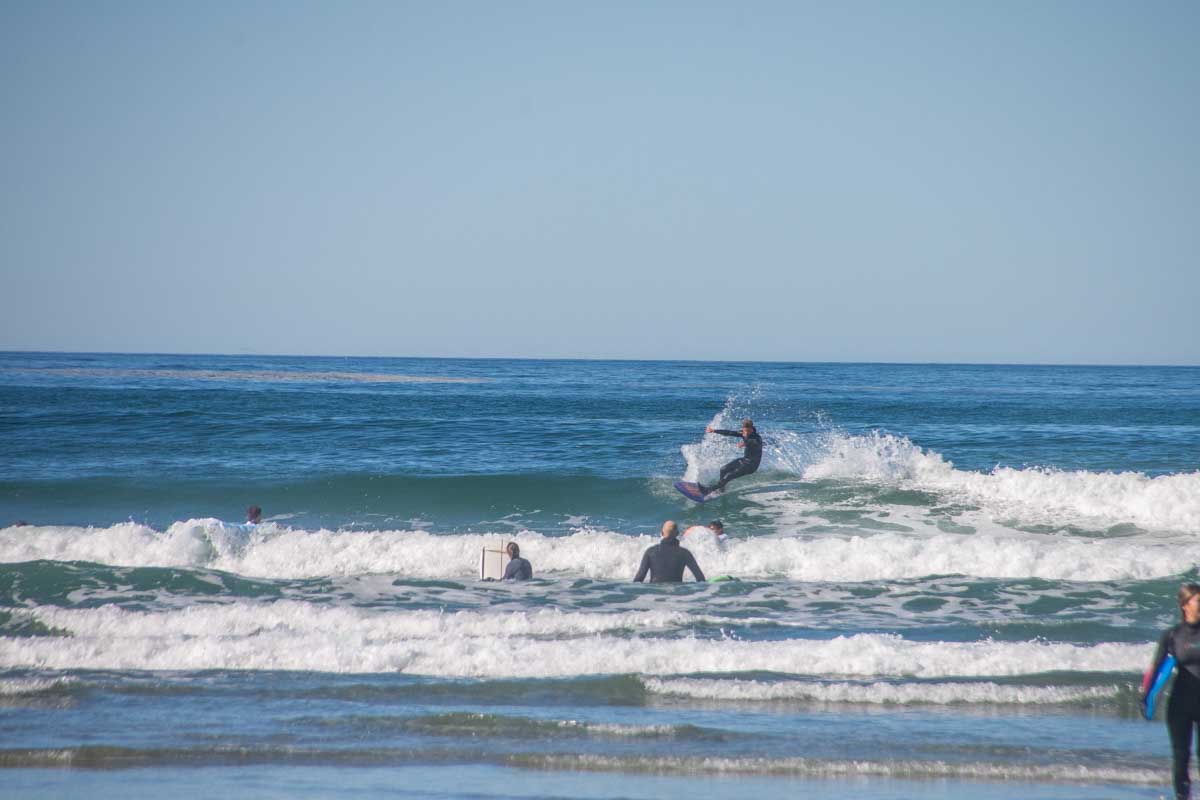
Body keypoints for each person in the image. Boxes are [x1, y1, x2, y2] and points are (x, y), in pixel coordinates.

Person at [1144, 582, 1200, 799]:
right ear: (1185, 605)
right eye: (1198, 600)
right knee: (1180, 756)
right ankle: (1182, 797)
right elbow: (1155, 668)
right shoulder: (1172, 636)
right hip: (1179, 705)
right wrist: (1146, 696)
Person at [697, 418, 763, 495]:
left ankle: (708, 490)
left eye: (748, 431)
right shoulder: (743, 433)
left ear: (752, 429)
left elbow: (754, 442)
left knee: (728, 476)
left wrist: (745, 442)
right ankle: (721, 489)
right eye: (745, 430)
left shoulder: (757, 437)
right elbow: (729, 432)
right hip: (744, 460)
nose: (746, 433)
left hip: (752, 465)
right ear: (743, 429)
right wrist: (714, 430)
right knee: (723, 469)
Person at [634, 521, 705, 583]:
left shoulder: (650, 552)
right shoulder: (684, 553)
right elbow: (700, 579)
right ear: (677, 533)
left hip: (655, 595)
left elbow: (638, 579)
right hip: (676, 595)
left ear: (662, 533)